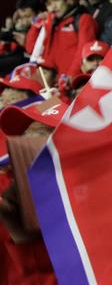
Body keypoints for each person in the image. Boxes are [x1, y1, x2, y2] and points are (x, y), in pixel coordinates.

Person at [0, 98, 68, 284]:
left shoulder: (105, 208)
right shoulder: (10, 206)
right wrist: (23, 239)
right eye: (23, 136)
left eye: (40, 134)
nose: (26, 142)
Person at [24, 0, 97, 79]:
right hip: (51, 83)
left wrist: (70, 77)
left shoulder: (83, 20)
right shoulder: (50, 22)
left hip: (73, 82)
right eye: (48, 4)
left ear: (67, 0)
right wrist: (35, 26)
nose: (53, 7)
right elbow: (30, 48)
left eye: (56, 0)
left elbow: (84, 54)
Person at [0, 0, 39, 75]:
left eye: (28, 16)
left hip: (29, 60)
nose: (25, 20)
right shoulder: (26, 27)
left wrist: (25, 43)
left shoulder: (42, 25)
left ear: (38, 12)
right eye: (22, 17)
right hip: (19, 55)